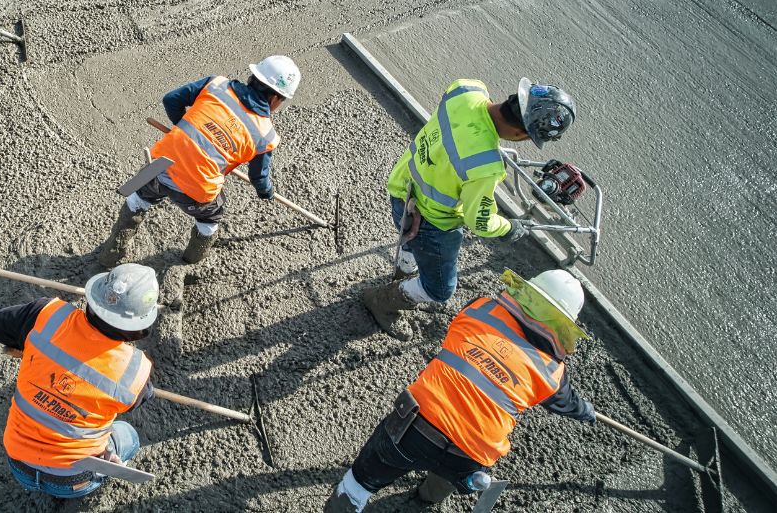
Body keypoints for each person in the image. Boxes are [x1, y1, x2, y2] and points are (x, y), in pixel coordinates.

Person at [325, 270, 596, 511]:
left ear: (527, 292)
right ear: (563, 326)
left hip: (414, 425)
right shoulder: (552, 373)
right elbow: (569, 404)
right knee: (447, 474)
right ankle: (427, 498)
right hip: (472, 452)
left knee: (363, 478)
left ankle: (349, 500)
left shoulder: (480, 309)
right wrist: (587, 412)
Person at [364, 78, 577, 341]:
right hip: (432, 223)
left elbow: (460, 133)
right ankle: (383, 301)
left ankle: (403, 272)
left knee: (407, 239)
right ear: (523, 133)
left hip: (402, 186)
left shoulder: (466, 89)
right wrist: (509, 227)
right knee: (440, 289)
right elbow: (480, 221)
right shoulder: (485, 166)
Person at [99, 56, 301, 266]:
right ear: (276, 99)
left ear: (253, 77)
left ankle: (110, 256)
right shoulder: (266, 135)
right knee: (210, 219)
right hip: (198, 187)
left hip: (158, 163)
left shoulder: (216, 84)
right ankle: (190, 261)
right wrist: (266, 192)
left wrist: (186, 130)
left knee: (137, 197)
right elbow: (258, 176)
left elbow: (171, 99)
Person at [0, 263, 158, 499]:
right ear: (140, 329)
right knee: (128, 435)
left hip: (18, 463)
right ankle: (103, 467)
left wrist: (27, 342)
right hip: (72, 481)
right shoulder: (136, 371)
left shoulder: (46, 314)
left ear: (92, 299)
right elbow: (136, 401)